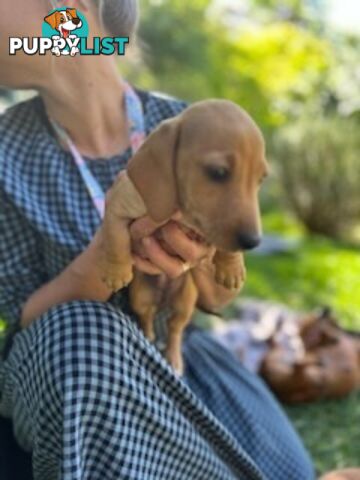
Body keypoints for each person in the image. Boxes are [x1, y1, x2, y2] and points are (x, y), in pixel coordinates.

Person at [0, 0, 315, 478]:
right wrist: (113, 248)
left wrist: (201, 258)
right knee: (79, 336)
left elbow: (218, 297)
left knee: (288, 470)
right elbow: (22, 314)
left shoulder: (191, 125)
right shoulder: (6, 152)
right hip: (66, 370)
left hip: (181, 354)